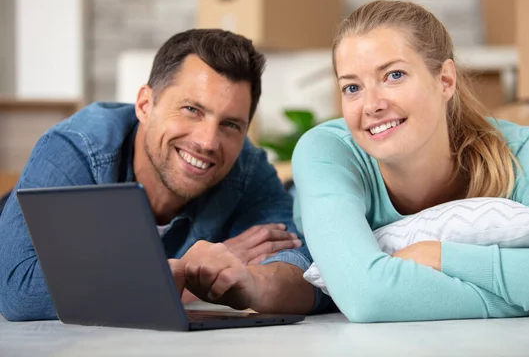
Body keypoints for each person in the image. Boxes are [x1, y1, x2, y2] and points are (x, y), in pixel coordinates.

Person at [291, 0, 529, 323]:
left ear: (445, 81)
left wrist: (439, 256)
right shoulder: (327, 152)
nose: (372, 105)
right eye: (352, 87)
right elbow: (366, 296)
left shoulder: (519, 150)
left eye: (394, 75)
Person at [0, 29, 330, 321]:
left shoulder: (246, 167)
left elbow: (310, 270)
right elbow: (16, 290)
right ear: (145, 104)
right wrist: (180, 272)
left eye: (230, 125)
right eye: (192, 110)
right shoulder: (76, 147)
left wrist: (254, 283)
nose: (207, 141)